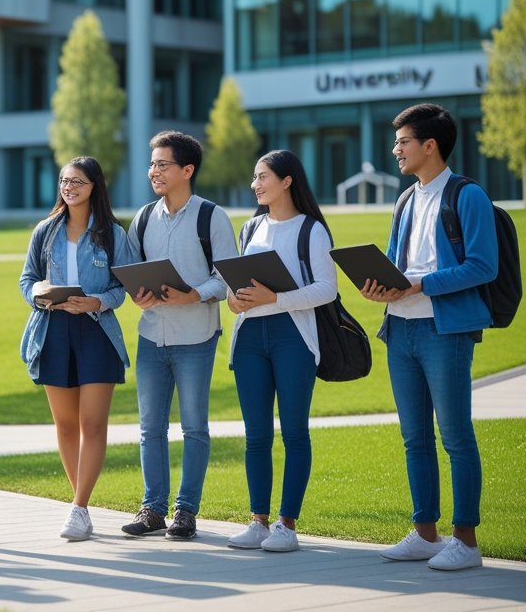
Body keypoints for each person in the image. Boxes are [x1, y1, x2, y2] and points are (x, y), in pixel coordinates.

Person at [361, 103, 496, 572]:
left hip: (444, 330)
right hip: (400, 328)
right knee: (414, 437)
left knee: (455, 436)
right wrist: (379, 284)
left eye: (403, 142)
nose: (395, 150)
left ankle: (466, 540)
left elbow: (482, 266)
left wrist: (418, 284)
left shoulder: (467, 195)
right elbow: (400, 266)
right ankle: (425, 532)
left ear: (430, 145)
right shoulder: (405, 199)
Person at [121, 132, 236, 540]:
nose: (154, 171)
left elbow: (227, 277)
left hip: (196, 337)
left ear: (187, 170)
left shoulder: (212, 217)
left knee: (194, 428)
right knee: (150, 429)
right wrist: (136, 292)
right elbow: (130, 269)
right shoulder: (144, 217)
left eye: (162, 164)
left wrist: (194, 294)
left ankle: (185, 511)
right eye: (152, 164)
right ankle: (152, 509)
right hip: (152, 334)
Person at [225, 150, 337, 553]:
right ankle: (258, 521)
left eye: (262, 177)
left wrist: (275, 298)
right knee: (256, 435)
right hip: (250, 338)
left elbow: (328, 289)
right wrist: (234, 301)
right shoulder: (250, 227)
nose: (255, 185)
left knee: (293, 431)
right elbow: (235, 288)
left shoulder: (312, 230)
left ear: (287, 181)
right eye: (254, 178)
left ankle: (286, 524)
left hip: (294, 338)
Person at [19, 156, 133, 541]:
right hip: (53, 331)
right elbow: (27, 280)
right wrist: (40, 295)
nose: (69, 188)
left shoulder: (113, 234)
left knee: (92, 423)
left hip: (96, 332)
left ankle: (79, 507)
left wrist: (97, 301)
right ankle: (79, 506)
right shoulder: (45, 231)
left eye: (78, 182)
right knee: (66, 425)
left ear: (95, 187)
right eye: (65, 181)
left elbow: (125, 286)